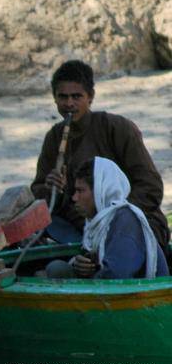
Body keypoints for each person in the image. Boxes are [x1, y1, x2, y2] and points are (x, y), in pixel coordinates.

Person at [31, 60, 170, 253]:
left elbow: (151, 188)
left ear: (91, 97)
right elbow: (39, 194)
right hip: (81, 227)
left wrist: (108, 215)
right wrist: (53, 189)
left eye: (76, 96)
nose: (69, 104)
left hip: (128, 221)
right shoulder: (54, 137)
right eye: (63, 97)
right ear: (54, 99)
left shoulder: (117, 128)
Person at [46, 157, 168, 279]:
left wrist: (91, 274)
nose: (74, 198)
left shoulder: (125, 221)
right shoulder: (100, 222)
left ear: (100, 191)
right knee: (57, 268)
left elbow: (116, 277)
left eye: (80, 191)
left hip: (137, 295)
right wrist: (81, 266)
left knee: (56, 269)